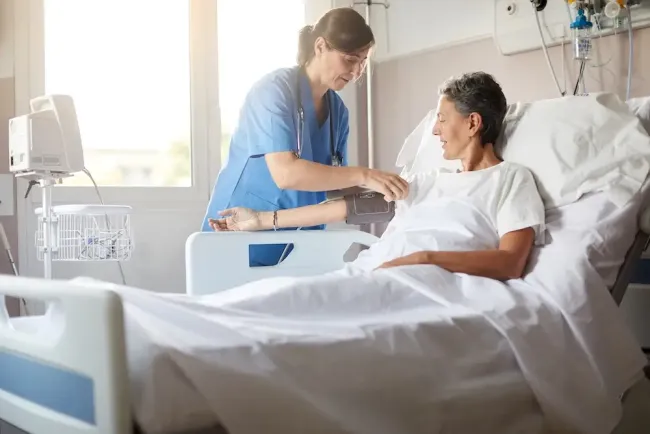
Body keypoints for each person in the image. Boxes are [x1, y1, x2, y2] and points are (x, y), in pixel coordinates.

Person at [209, 72, 546, 280]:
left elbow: (509, 262)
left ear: (473, 123)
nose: (435, 130)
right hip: (369, 274)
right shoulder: (428, 181)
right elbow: (347, 208)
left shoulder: (511, 180)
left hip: (423, 283)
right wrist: (259, 221)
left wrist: (422, 260)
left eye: (442, 119)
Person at [202, 7, 409, 267]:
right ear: (320, 46)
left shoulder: (338, 112)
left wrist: (385, 187)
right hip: (238, 232)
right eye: (350, 59)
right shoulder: (273, 91)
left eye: (363, 61)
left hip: (300, 242)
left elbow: (333, 182)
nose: (357, 72)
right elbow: (286, 174)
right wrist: (366, 175)